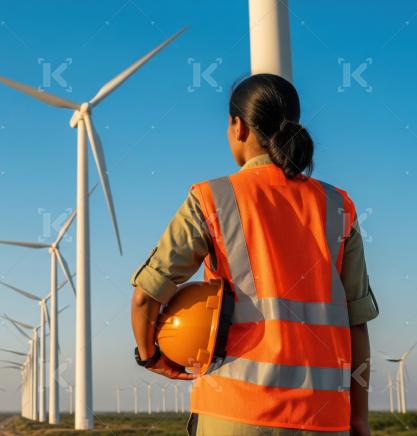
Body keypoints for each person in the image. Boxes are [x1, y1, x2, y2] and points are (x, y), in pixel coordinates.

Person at [130, 74, 378, 435]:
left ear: (238, 127)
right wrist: (359, 420)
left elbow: (145, 298)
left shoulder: (212, 198)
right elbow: (358, 325)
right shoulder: (338, 206)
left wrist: (149, 354)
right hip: (324, 420)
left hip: (233, 415)